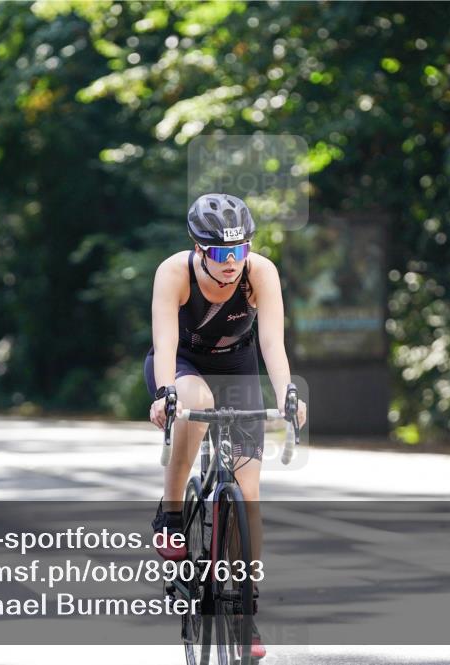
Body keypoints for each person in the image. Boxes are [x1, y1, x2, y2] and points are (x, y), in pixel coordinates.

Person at [145, 193, 308, 659]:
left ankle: (244, 609)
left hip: (236, 366)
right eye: (220, 252)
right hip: (182, 363)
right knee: (196, 401)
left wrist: (288, 395)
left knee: (248, 492)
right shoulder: (174, 273)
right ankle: (171, 514)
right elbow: (164, 340)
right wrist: (165, 395)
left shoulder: (261, 273)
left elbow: (272, 344)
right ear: (199, 249)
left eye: (240, 249)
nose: (232, 261)